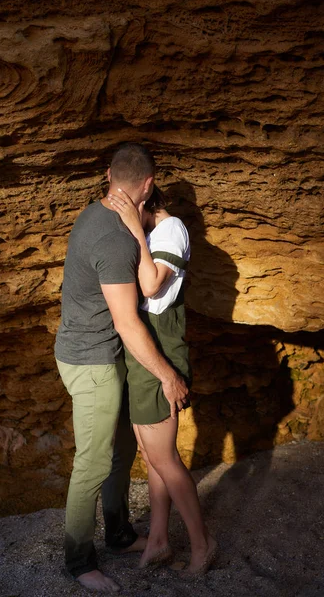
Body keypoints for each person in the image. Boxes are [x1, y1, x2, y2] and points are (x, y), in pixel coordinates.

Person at [54, 143, 188, 593]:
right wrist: (169, 375)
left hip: (100, 354)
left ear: (109, 173)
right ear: (148, 185)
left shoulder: (96, 213)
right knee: (92, 463)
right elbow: (128, 323)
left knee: (119, 453)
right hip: (92, 361)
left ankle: (117, 533)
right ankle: (78, 560)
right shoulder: (113, 237)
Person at [107, 185, 217, 574]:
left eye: (128, 210)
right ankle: (158, 541)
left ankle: (203, 544)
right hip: (144, 352)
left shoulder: (171, 230)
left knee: (165, 459)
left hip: (161, 352)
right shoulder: (154, 232)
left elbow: (152, 285)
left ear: (144, 201)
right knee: (152, 458)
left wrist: (135, 232)